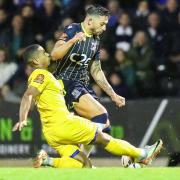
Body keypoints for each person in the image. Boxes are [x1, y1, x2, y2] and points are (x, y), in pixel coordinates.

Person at [12, 44, 163, 168]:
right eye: (43, 53)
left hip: (51, 134)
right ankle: (142, 155)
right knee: (103, 138)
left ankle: (48, 161)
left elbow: (31, 100)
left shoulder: (44, 78)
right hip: (64, 124)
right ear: (35, 62)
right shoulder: (41, 74)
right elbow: (27, 95)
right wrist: (23, 118)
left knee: (84, 164)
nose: (47, 54)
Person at [51, 5, 125, 156]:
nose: (104, 28)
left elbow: (96, 71)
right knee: (101, 116)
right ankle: (81, 160)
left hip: (82, 85)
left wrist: (113, 94)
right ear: (90, 21)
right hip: (65, 83)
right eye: (102, 24)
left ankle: (77, 162)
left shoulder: (96, 40)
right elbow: (54, 54)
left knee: (104, 125)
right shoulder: (72, 29)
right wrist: (72, 41)